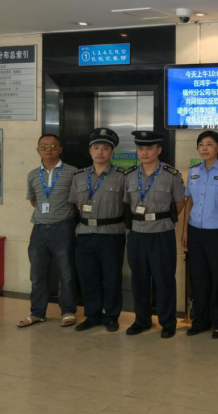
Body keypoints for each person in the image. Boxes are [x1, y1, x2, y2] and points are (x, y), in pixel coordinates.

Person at [123, 131, 185, 339]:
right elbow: (126, 204)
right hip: (137, 234)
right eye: (140, 148)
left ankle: (168, 322)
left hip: (161, 233)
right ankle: (142, 320)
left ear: (159, 150)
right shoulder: (129, 175)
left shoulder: (171, 175)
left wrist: (162, 220)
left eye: (149, 148)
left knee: (164, 279)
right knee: (139, 279)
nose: (144, 152)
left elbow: (180, 203)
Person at [181, 130, 218, 339]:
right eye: (201, 145)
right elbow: (189, 202)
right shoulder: (194, 172)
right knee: (199, 278)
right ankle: (200, 321)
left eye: (209, 144)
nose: (204, 148)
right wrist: (185, 230)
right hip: (195, 232)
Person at [69, 128, 127, 332]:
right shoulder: (78, 176)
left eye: (105, 148)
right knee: (88, 277)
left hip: (111, 233)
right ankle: (92, 315)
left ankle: (111, 316)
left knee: (112, 277)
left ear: (112, 152)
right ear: (89, 151)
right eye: (96, 148)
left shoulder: (123, 176)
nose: (100, 152)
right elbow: (74, 204)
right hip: (85, 233)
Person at [18, 134, 78, 328]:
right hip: (39, 229)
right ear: (38, 151)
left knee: (67, 272)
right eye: (44, 146)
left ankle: (68, 311)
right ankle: (37, 313)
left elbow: (77, 201)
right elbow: (33, 200)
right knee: (37, 273)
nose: (48, 149)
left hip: (64, 228)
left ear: (60, 149)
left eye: (53, 146)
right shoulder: (32, 175)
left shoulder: (72, 172)